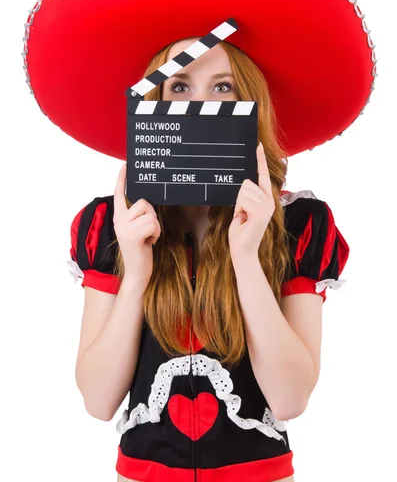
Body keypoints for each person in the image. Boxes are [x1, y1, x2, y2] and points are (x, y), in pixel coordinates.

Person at [69, 36, 350, 482]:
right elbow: (98, 401)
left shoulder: (301, 222)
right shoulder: (110, 222)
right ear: (153, 103)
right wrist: (137, 272)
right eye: (179, 87)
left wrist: (245, 257)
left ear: (247, 100)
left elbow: (290, 399)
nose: (199, 105)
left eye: (223, 88)